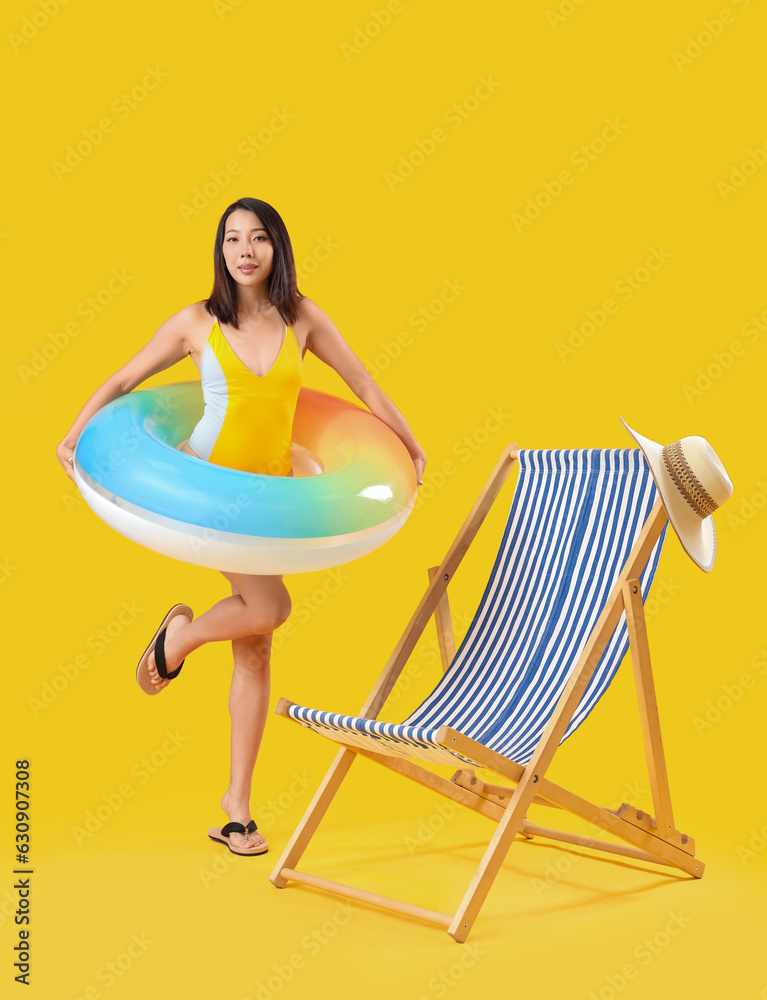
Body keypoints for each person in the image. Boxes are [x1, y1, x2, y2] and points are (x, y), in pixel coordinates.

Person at [56, 197, 427, 857]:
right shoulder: (195, 322)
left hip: (271, 493)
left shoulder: (302, 317)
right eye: (233, 240)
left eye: (258, 239)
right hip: (209, 494)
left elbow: (362, 382)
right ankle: (179, 641)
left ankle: (235, 809)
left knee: (256, 640)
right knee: (270, 607)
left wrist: (409, 444)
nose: (246, 250)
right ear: (221, 251)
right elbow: (126, 377)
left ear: (276, 248)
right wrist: (74, 432)